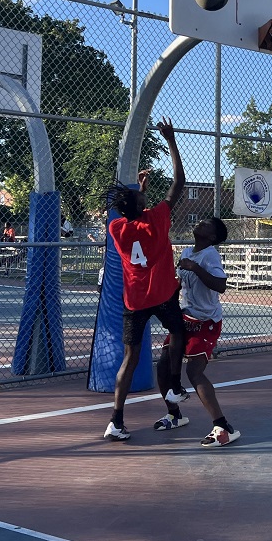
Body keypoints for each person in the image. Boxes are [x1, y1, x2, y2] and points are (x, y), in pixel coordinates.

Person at [103, 117, 189, 442]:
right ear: (141, 206)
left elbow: (132, 214)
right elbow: (179, 182)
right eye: (141, 199)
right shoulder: (156, 219)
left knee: (131, 357)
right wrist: (171, 140)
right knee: (178, 332)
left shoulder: (117, 228)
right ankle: (176, 385)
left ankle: (116, 420)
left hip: (135, 301)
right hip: (162, 296)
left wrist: (138, 193)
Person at [152, 216, 241, 448]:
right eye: (199, 221)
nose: (199, 223)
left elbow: (221, 285)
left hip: (205, 321)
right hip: (185, 318)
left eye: (205, 224)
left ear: (212, 236)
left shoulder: (210, 255)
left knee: (194, 371)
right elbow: (180, 284)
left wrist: (196, 268)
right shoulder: (186, 252)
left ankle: (223, 426)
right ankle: (174, 414)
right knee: (163, 365)